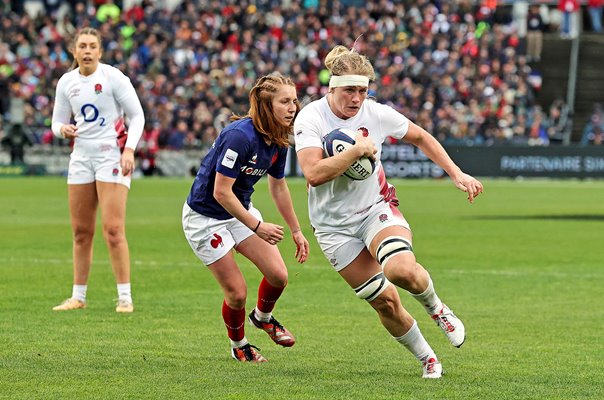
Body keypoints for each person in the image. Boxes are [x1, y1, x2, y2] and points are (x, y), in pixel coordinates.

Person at [294, 45, 484, 379]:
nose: (357, 98)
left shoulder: (376, 113)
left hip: (375, 209)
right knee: (385, 302)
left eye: (363, 91)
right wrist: (356, 151)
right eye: (350, 90)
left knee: (400, 270)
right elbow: (313, 173)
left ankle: (436, 308)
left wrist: (457, 173)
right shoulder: (310, 118)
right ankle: (428, 359)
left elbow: (421, 137)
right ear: (332, 87)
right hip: (332, 228)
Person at [182, 74, 310, 363]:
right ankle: (239, 344)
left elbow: (278, 186)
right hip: (206, 218)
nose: (293, 107)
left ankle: (263, 317)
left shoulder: (278, 139)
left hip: (239, 210)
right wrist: (257, 226)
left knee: (279, 275)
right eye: (285, 101)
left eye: (294, 101)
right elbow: (220, 192)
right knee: (237, 293)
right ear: (267, 104)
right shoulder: (240, 136)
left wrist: (296, 231)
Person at [51, 27, 145, 313]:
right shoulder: (67, 82)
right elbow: (56, 122)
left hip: (112, 157)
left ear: (100, 51)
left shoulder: (113, 77)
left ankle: (125, 298)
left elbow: (137, 115)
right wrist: (62, 130)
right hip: (80, 158)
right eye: (83, 46)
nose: (88, 50)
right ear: (74, 51)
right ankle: (78, 296)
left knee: (113, 230)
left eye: (93, 46)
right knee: (81, 232)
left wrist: (129, 149)